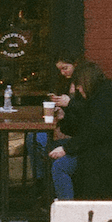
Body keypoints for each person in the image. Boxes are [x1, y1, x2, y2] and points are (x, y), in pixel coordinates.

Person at [48, 60, 112, 201]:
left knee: (60, 167)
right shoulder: (99, 96)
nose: (77, 89)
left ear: (86, 82)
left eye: (78, 85)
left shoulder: (105, 100)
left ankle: (68, 211)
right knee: (50, 150)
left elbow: (94, 132)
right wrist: (64, 117)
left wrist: (66, 148)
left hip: (107, 154)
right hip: (100, 148)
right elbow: (84, 128)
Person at [35, 54, 84, 200]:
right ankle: (42, 182)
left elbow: (86, 118)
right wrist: (61, 110)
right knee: (35, 138)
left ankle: (47, 188)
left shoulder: (82, 84)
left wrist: (69, 106)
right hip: (73, 134)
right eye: (60, 69)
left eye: (65, 68)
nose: (63, 72)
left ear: (75, 64)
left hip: (79, 141)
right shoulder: (64, 83)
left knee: (42, 141)